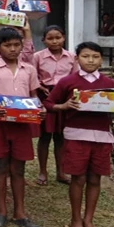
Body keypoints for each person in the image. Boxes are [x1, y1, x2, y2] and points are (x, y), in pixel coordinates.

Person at [44, 42, 114, 227]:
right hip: (76, 135)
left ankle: (89, 220)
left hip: (101, 137)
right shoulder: (68, 82)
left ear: (101, 59)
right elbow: (49, 103)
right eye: (85, 56)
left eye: (95, 56)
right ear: (77, 59)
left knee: (95, 178)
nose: (90, 60)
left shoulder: (110, 84)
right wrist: (64, 106)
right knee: (78, 178)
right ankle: (75, 219)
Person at [0, 27, 44, 227]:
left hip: (21, 124)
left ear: (21, 46)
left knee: (19, 169)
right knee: (0, 167)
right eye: (7, 45)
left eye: (17, 45)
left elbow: (34, 96)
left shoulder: (29, 70)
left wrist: (39, 108)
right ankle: (1, 211)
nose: (13, 49)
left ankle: (20, 213)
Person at [33, 25, 78, 187]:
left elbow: (75, 77)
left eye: (58, 37)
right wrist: (39, 86)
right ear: (43, 40)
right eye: (50, 38)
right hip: (45, 95)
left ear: (64, 38)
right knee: (45, 136)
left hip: (64, 98)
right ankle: (42, 171)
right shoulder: (38, 57)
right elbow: (33, 74)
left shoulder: (71, 57)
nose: (54, 41)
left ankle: (61, 171)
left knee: (61, 136)